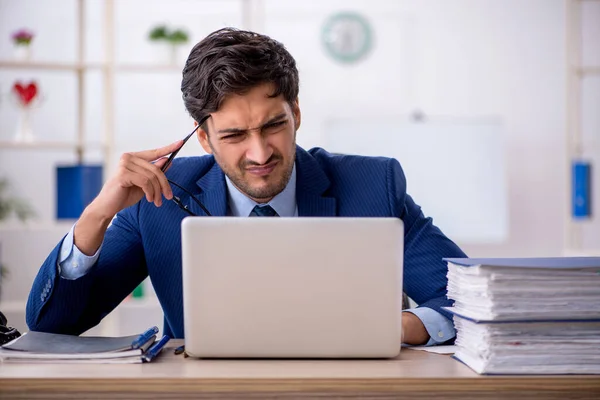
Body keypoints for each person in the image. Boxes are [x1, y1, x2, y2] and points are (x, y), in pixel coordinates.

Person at [26, 27, 466, 346]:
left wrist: (400, 326)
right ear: (203, 137)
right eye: (235, 136)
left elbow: (468, 299)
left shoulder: (373, 185)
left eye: (274, 125)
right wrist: (97, 215)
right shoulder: (163, 196)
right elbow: (52, 326)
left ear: (296, 112)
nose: (259, 154)